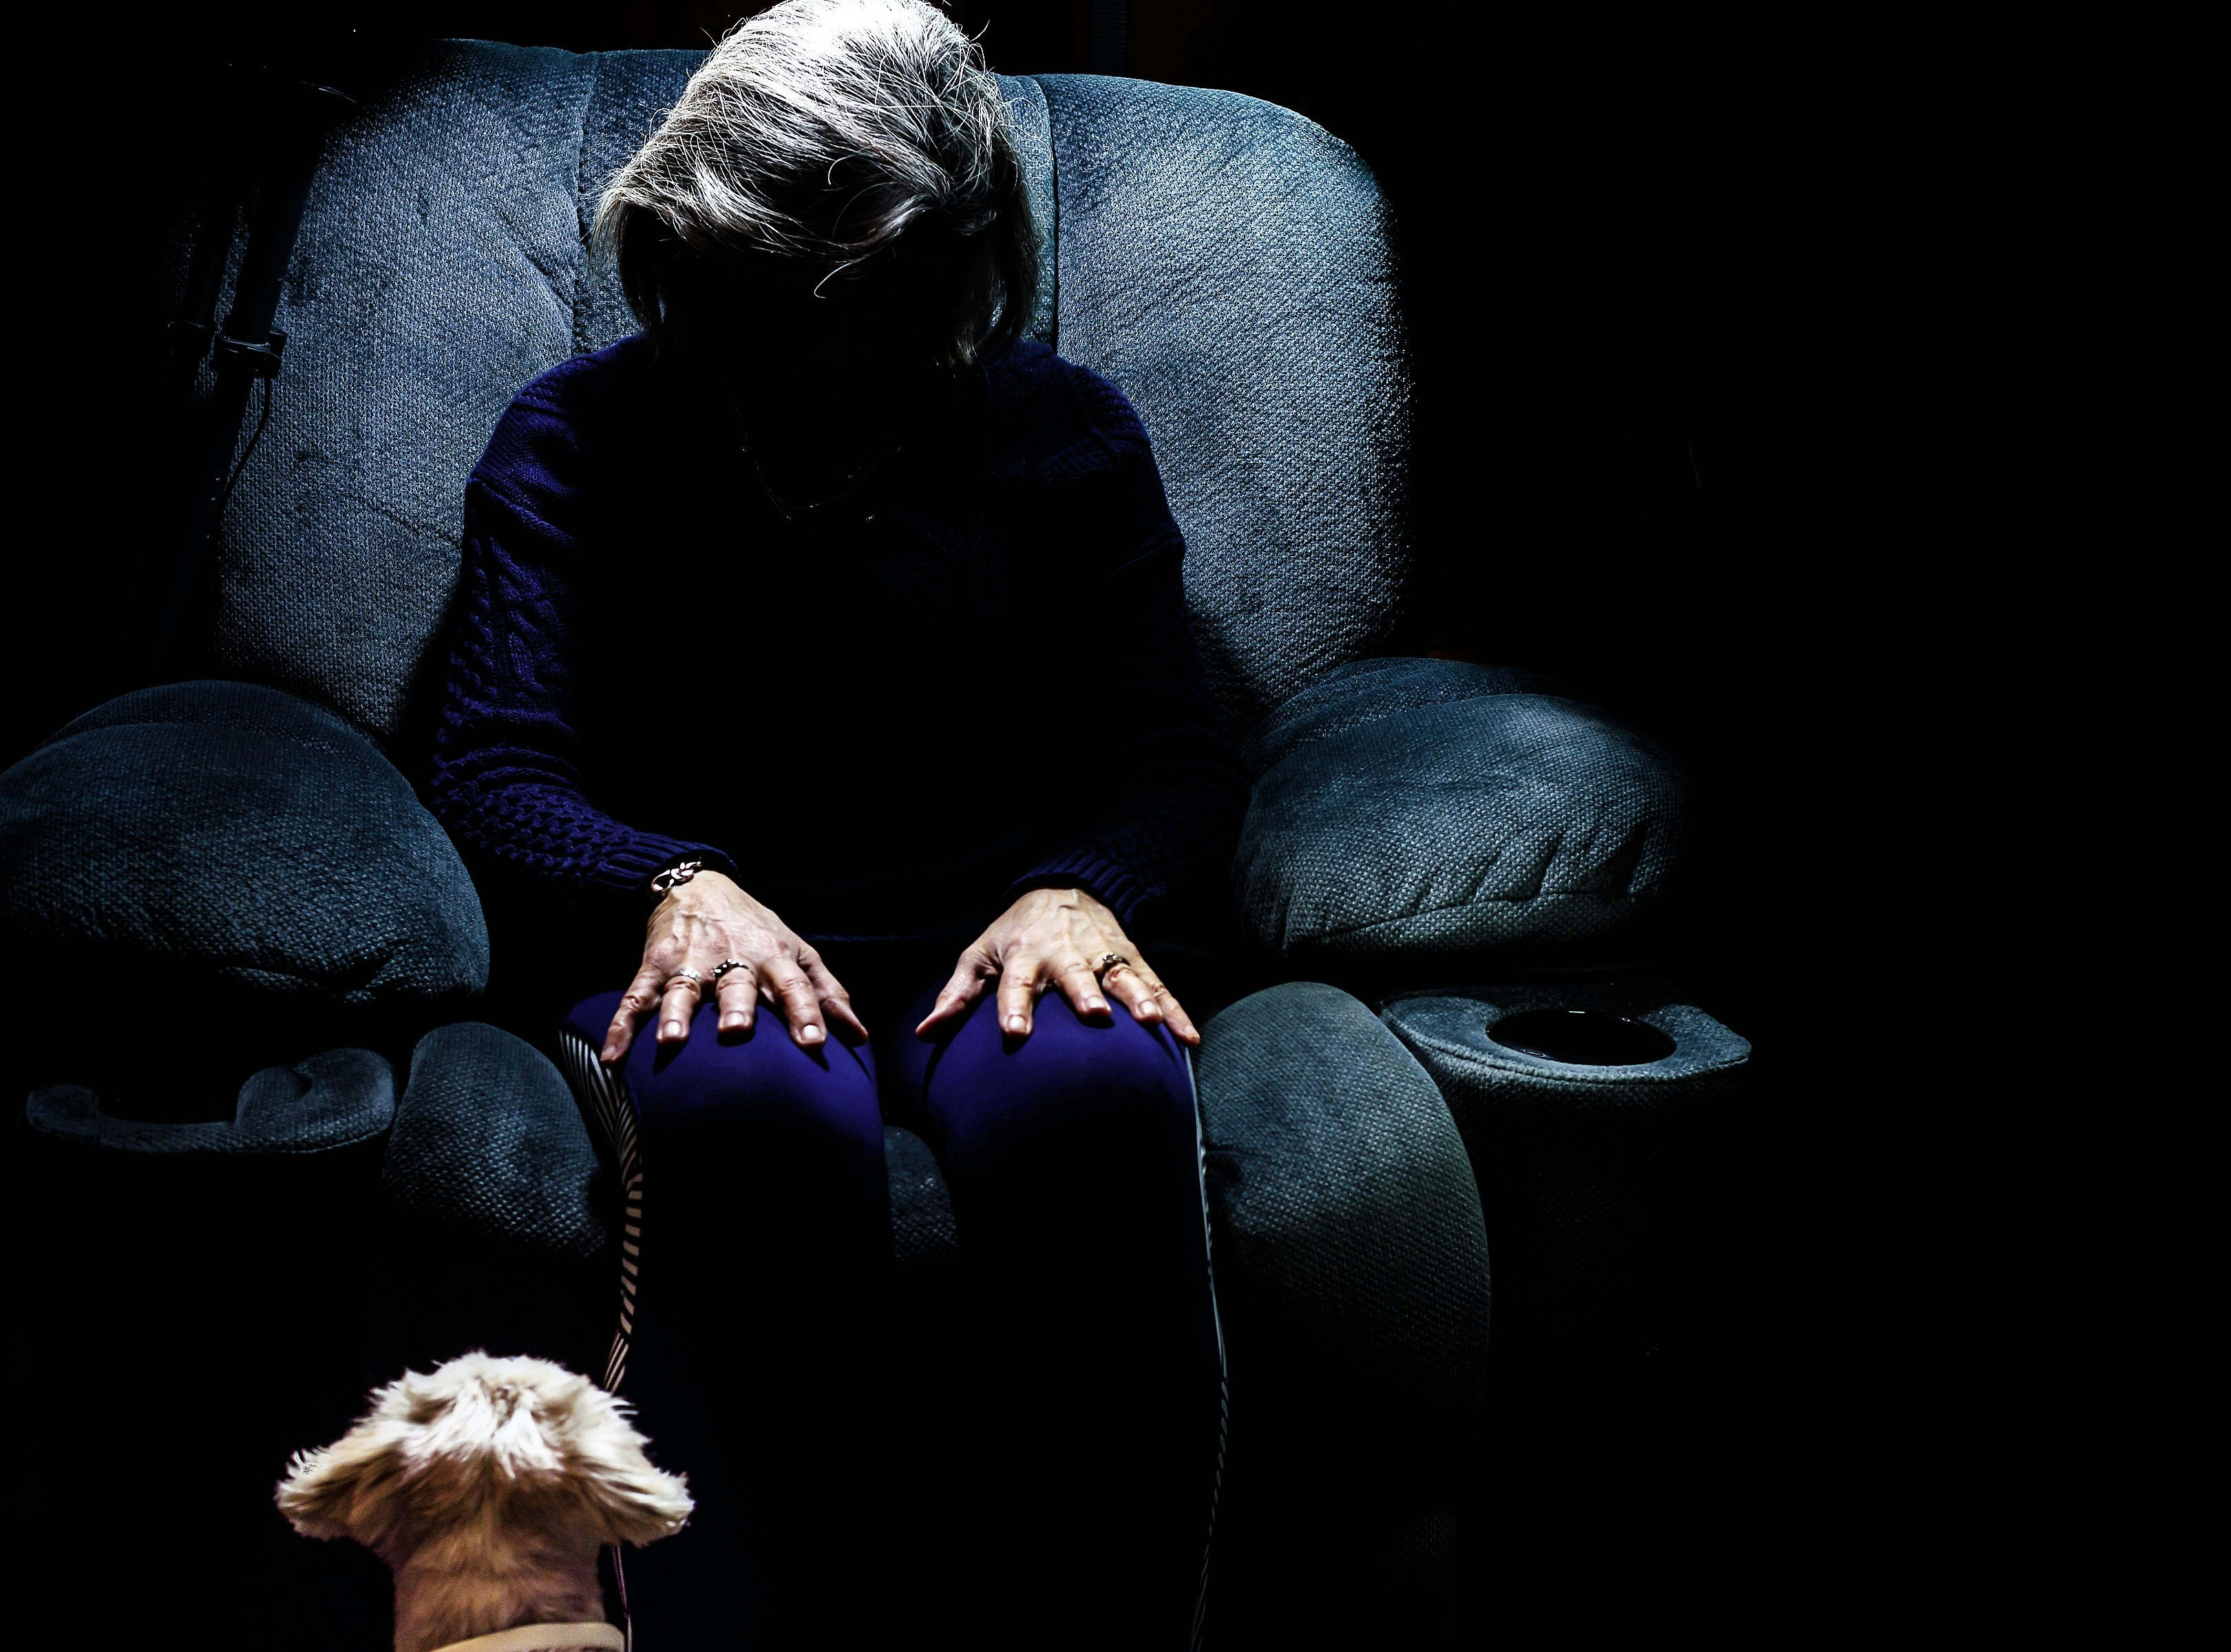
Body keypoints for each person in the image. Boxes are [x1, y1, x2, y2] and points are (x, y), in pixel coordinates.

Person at [428, 1, 1243, 1644]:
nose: (810, 347)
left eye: (859, 300)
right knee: (754, 1112)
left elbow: (1175, 752)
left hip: (992, 933)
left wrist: (1083, 888)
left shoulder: (1064, 437)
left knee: (1091, 1092)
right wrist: (673, 876)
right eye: (763, 293)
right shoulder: (573, 441)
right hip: (689, 940)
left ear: (955, 270)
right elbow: (496, 759)